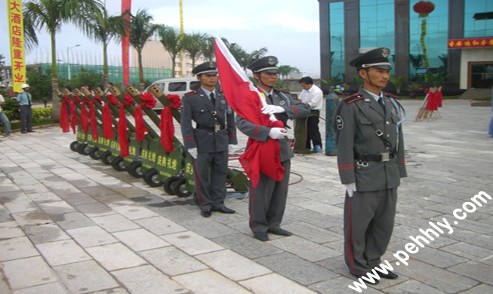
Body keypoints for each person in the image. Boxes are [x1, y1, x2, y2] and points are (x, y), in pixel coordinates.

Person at [333, 47, 407, 283]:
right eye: (379, 70)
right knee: (359, 224)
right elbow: (343, 143)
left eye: (387, 70)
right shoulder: (351, 104)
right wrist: (348, 178)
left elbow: (399, 139)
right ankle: (357, 264)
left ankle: (374, 261)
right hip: (364, 173)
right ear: (363, 73)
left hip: (388, 173)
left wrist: (400, 169)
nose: (385, 75)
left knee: (384, 223)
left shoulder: (392, 103)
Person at [236, 56, 311, 241]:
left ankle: (274, 223)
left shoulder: (281, 96)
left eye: (275, 73)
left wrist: (283, 110)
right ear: (256, 75)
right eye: (268, 73)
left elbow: (305, 108)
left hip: (282, 148)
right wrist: (267, 132)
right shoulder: (250, 97)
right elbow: (242, 122)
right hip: (262, 147)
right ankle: (258, 225)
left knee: (280, 190)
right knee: (262, 189)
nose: (273, 77)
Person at [180, 62, 238, 218]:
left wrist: (232, 140)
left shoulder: (224, 95)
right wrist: (190, 144)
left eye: (215, 75)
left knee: (220, 173)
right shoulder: (190, 98)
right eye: (208, 76)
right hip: (202, 141)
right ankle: (205, 204)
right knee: (202, 175)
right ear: (199, 77)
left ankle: (219, 202)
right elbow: (185, 124)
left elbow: (230, 119)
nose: (213, 79)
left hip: (221, 140)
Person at [298, 76, 324, 153]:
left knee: (313, 129)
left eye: (304, 85)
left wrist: (303, 104)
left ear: (309, 84)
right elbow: (300, 98)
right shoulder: (304, 90)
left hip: (313, 112)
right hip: (304, 111)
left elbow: (312, 104)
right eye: (302, 86)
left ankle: (317, 146)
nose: (303, 87)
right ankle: (306, 146)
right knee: (305, 129)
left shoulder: (317, 91)